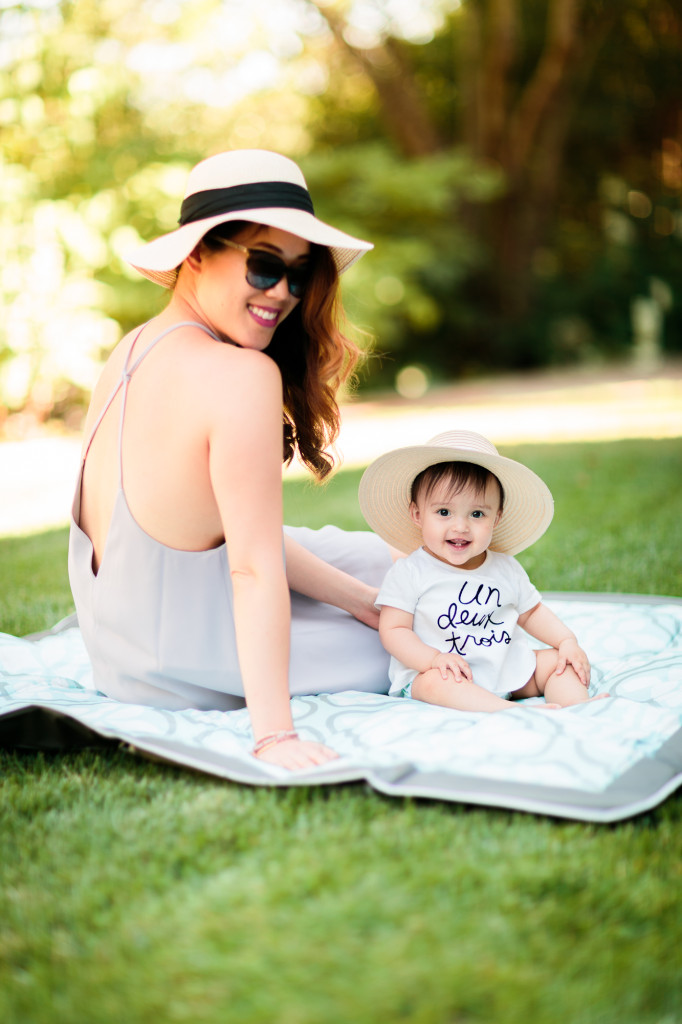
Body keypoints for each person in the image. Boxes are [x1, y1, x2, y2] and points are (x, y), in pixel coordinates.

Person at [68, 149, 395, 770]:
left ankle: (389, 597)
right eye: (265, 267)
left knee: (394, 566)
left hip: (120, 648)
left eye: (300, 276)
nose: (285, 295)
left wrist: (358, 598)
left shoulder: (130, 348)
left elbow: (226, 536)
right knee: (429, 629)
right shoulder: (242, 374)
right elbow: (249, 569)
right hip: (184, 664)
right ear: (196, 254)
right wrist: (275, 734)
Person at [359, 430, 608, 712]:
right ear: (417, 515)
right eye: (444, 512)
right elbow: (393, 630)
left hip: (506, 670)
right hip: (443, 674)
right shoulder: (410, 572)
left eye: (477, 514)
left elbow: (532, 612)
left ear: (496, 518)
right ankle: (510, 712)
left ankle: (577, 707)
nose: (461, 526)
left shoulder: (504, 568)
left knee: (558, 662)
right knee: (432, 684)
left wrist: (566, 641)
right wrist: (432, 659)